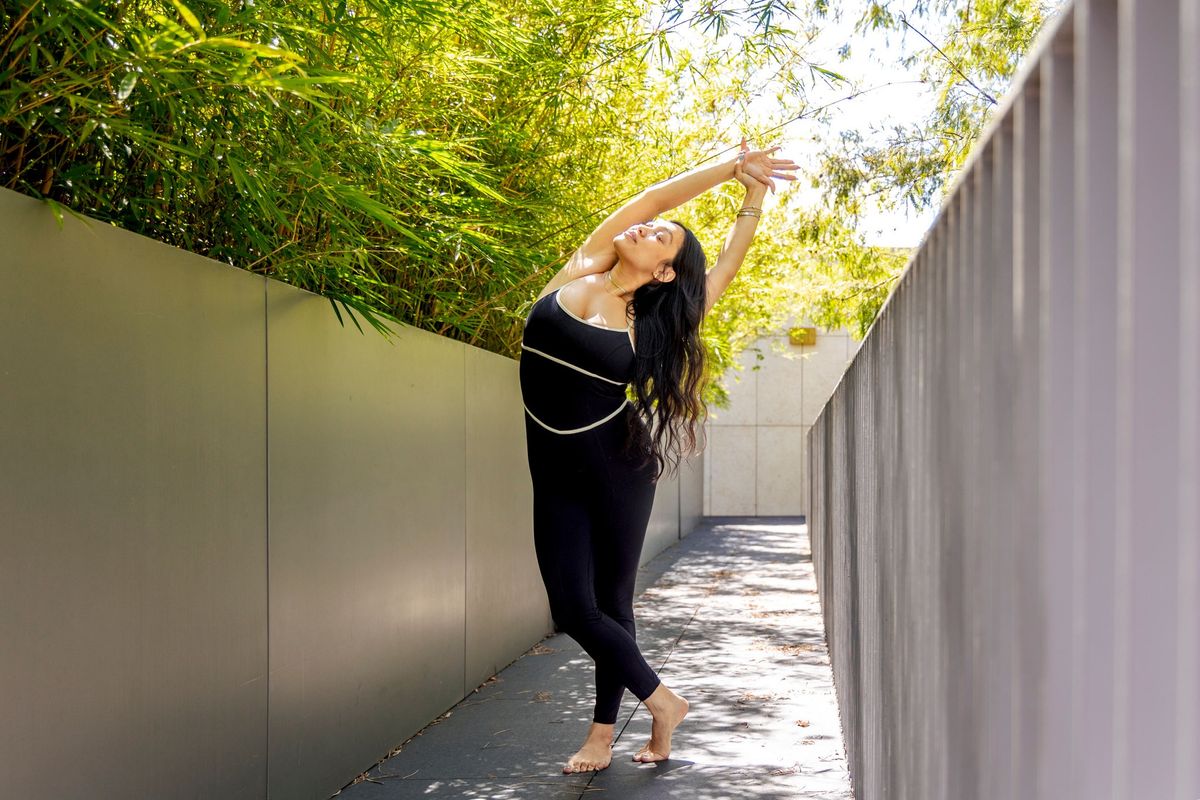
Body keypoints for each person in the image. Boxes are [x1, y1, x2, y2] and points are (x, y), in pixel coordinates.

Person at [519, 138, 798, 774]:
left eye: (661, 238)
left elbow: (722, 269)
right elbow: (653, 197)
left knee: (613, 603)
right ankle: (664, 702)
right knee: (570, 609)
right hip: (555, 470)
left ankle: (602, 736)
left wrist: (753, 200)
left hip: (620, 467)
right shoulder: (581, 268)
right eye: (650, 228)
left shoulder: (650, 325)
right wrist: (731, 168)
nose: (645, 227)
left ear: (665, 271)